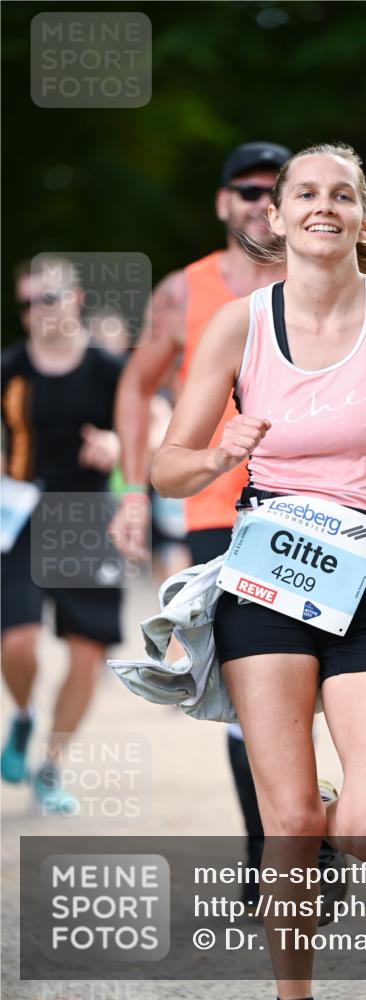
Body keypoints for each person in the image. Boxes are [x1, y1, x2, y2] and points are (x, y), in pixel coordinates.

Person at [150, 143, 366, 1000]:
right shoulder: (240, 324)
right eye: (305, 193)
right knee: (287, 822)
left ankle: (327, 814)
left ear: (362, 216)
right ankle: (293, 993)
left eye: (342, 194)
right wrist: (219, 451)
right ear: (277, 215)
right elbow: (165, 468)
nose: (322, 206)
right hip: (266, 576)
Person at [109, 141, 291, 905]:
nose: (258, 201)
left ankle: (308, 826)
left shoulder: (320, 280)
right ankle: (269, 857)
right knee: (248, 691)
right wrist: (130, 490)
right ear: (223, 202)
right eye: (245, 189)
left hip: (314, 509)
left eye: (272, 190)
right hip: (217, 512)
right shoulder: (184, 292)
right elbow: (134, 384)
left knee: (314, 686)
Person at [1, 256, 124, 812]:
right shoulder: (10, 370)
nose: (36, 312)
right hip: (20, 516)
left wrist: (117, 449)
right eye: (26, 303)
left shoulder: (108, 369)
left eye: (47, 299)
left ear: (75, 299)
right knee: (18, 642)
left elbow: (152, 427)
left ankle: (50, 768)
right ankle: (23, 717)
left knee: (85, 653)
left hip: (86, 516)